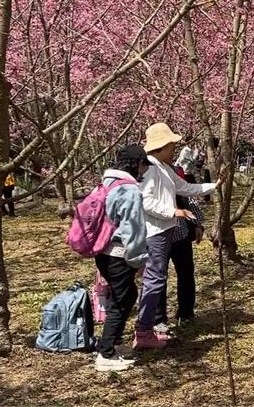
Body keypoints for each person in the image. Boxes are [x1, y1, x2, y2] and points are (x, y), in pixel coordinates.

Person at [135, 123, 218, 350]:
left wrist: (214, 186)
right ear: (160, 147)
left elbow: (185, 188)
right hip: (156, 232)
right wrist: (173, 211)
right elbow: (146, 201)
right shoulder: (150, 169)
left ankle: (159, 322)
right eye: (171, 146)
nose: (175, 151)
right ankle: (151, 324)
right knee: (156, 279)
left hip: (169, 230)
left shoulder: (164, 168)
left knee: (165, 276)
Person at [94, 144, 150, 372]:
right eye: (145, 164)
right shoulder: (129, 191)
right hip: (119, 254)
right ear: (137, 163)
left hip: (103, 253)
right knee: (121, 300)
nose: (145, 170)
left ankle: (112, 345)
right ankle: (105, 353)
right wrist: (138, 261)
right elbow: (133, 229)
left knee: (126, 296)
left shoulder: (107, 184)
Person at [152, 166, 205, 335]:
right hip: (158, 237)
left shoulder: (174, 171)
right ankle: (159, 319)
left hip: (180, 235)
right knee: (159, 277)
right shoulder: (148, 177)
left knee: (186, 273)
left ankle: (186, 312)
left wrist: (197, 224)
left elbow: (189, 199)